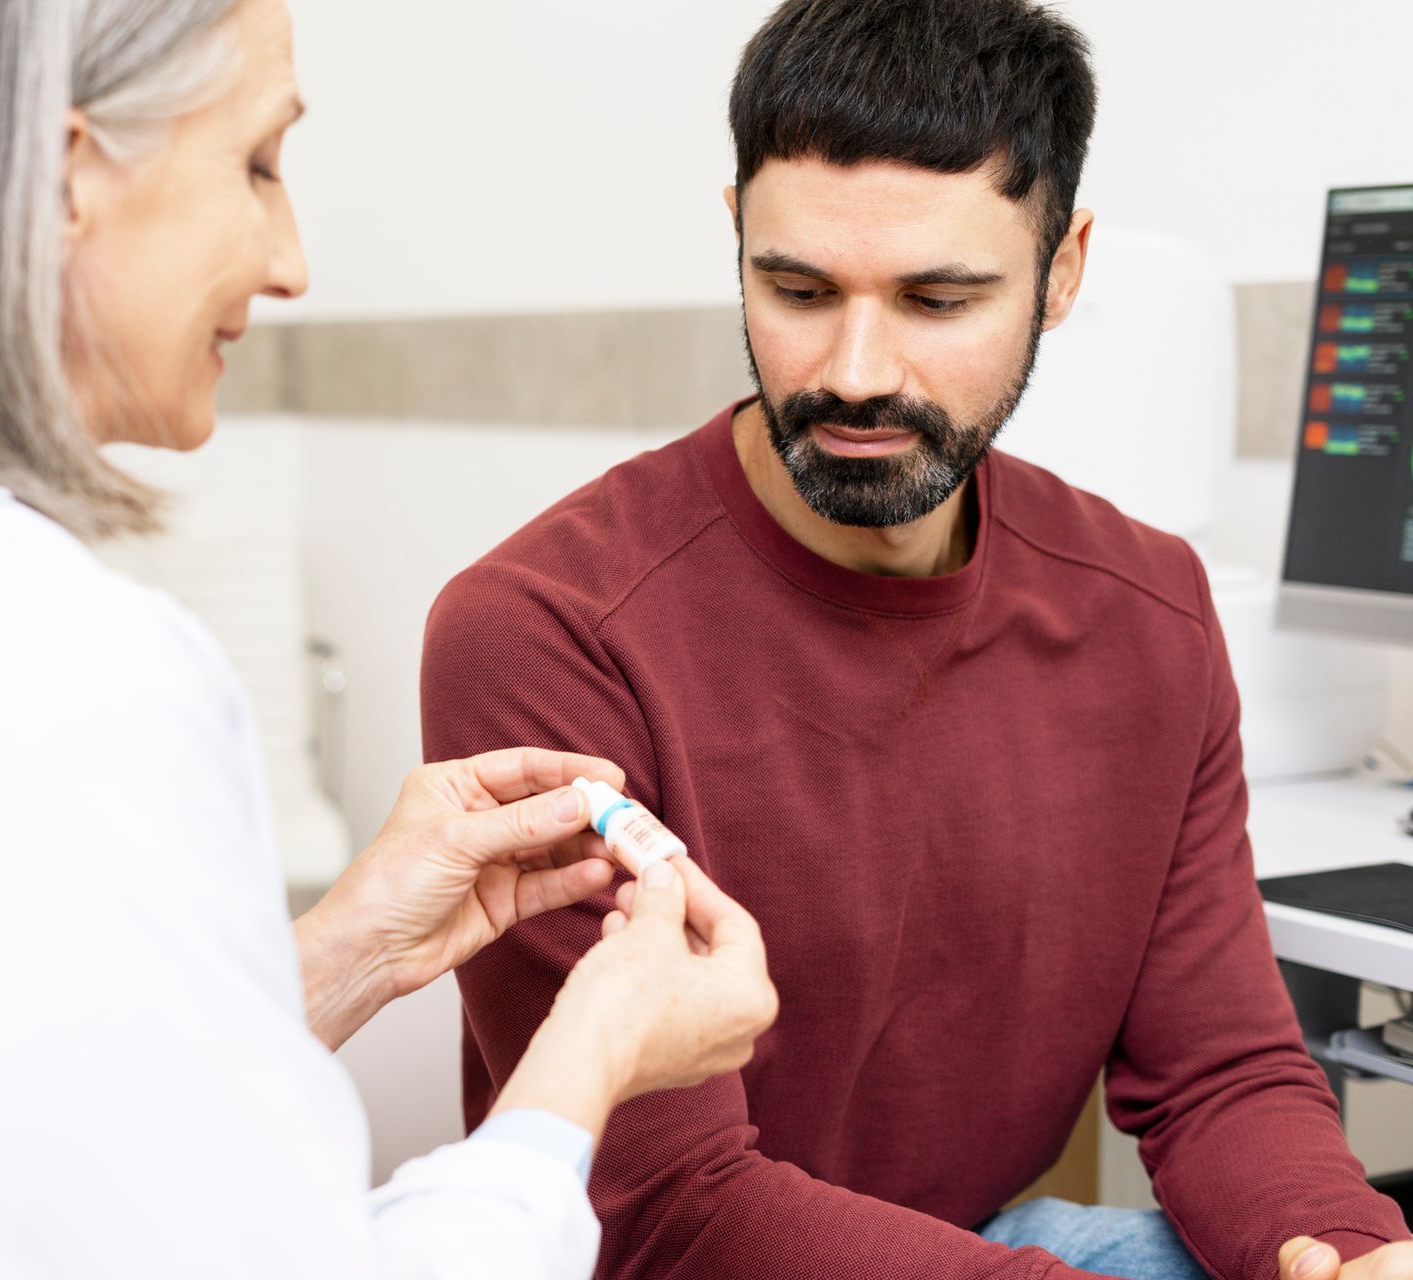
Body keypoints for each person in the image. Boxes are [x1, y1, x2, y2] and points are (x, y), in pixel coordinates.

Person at [0, 1, 779, 1277]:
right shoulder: (38, 666)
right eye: (258, 163)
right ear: (64, 178)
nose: (292, 261)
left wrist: (349, 947)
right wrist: (591, 1054)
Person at [421, 2, 1413, 1279]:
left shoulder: (1149, 613)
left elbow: (1221, 1068)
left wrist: (1337, 1250)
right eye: (796, 288)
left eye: (939, 297)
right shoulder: (549, 633)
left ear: (1062, 271)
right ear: (738, 238)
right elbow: (665, 1205)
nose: (854, 370)